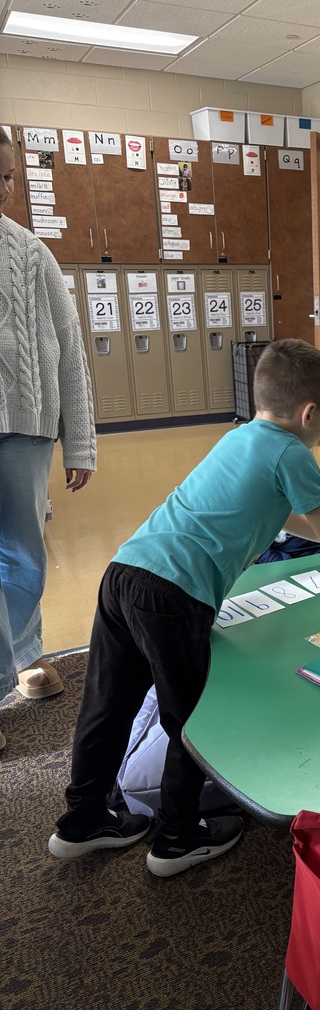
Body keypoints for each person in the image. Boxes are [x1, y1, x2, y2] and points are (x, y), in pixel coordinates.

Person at [48, 338, 320, 877]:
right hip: (174, 597)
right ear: (310, 414)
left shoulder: (240, 436)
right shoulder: (294, 453)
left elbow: (282, 514)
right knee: (191, 722)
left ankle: (80, 823)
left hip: (125, 572)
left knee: (107, 704)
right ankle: (175, 838)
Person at [0, 127, 96, 752]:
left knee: (22, 555)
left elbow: (68, 353)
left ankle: (24, 656)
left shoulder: (30, 253)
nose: (2, 189)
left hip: (23, 429)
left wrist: (80, 442)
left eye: (5, 177)